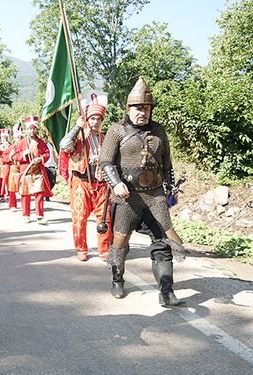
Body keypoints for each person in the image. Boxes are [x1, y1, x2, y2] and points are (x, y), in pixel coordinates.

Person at [99, 77, 185, 306]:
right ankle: (117, 280)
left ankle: (167, 292)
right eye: (137, 108)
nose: (142, 112)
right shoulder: (116, 131)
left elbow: (167, 165)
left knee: (163, 242)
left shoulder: (159, 131)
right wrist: (116, 183)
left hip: (155, 195)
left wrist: (170, 188)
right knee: (120, 241)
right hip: (127, 195)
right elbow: (105, 161)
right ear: (128, 108)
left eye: (146, 108)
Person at [60, 92, 111, 262]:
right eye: (92, 118)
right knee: (80, 217)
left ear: (102, 120)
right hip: (81, 182)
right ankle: (81, 248)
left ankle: (104, 249)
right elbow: (64, 145)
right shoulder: (79, 136)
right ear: (87, 120)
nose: (95, 122)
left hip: (102, 183)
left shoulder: (106, 138)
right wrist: (77, 127)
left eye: (98, 118)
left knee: (104, 217)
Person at [13, 116, 54, 224]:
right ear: (27, 130)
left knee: (39, 193)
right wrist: (23, 154)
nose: (32, 130)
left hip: (38, 171)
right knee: (25, 193)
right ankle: (26, 214)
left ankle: (39, 216)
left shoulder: (41, 142)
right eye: (30, 129)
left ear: (36, 129)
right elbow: (14, 156)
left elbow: (47, 153)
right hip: (25, 171)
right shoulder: (21, 143)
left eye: (34, 128)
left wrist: (41, 158)